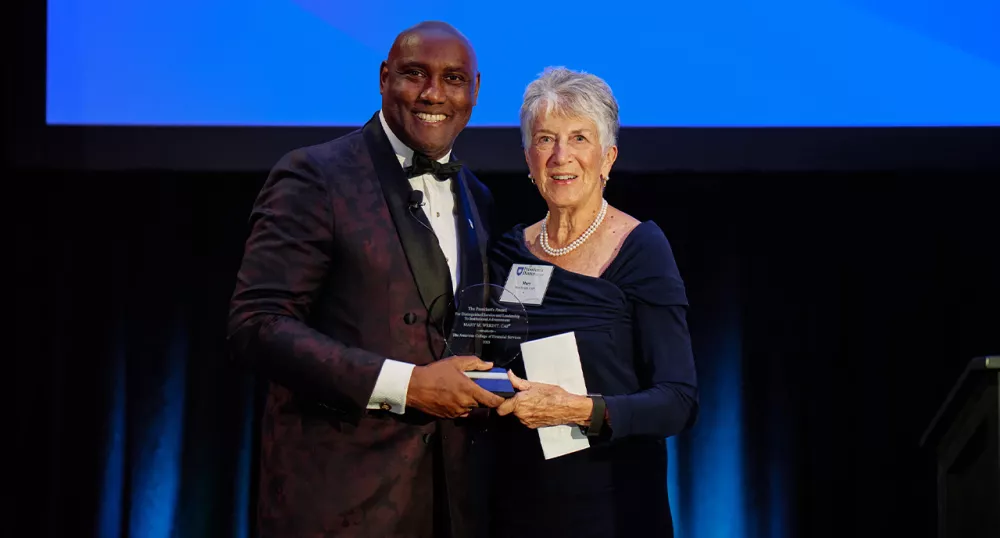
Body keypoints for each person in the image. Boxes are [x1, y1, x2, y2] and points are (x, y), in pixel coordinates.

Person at [226, 21, 505, 538]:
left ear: (476, 91)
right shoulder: (315, 175)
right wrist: (408, 385)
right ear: (383, 78)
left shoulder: (477, 197)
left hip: (450, 507)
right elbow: (256, 324)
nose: (433, 94)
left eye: (453, 79)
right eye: (414, 74)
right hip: (339, 504)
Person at [485, 67, 699, 537]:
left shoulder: (640, 248)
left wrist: (577, 410)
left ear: (608, 158)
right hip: (514, 505)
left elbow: (677, 401)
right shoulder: (506, 253)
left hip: (611, 509)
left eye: (579, 138)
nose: (561, 157)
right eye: (545, 139)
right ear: (528, 157)